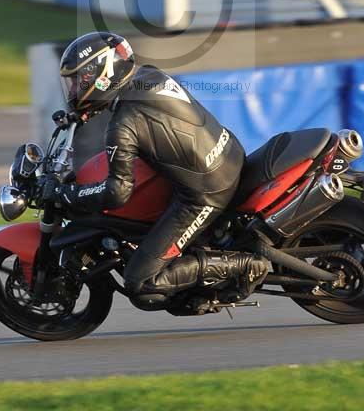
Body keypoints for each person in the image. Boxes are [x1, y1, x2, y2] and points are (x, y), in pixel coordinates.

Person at [49, 31, 269, 311]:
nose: (74, 90)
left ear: (101, 74)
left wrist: (68, 194)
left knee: (142, 284)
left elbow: (117, 192)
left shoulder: (124, 126)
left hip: (205, 192)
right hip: (227, 153)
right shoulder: (146, 77)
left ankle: (247, 265)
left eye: (79, 80)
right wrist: (88, 111)